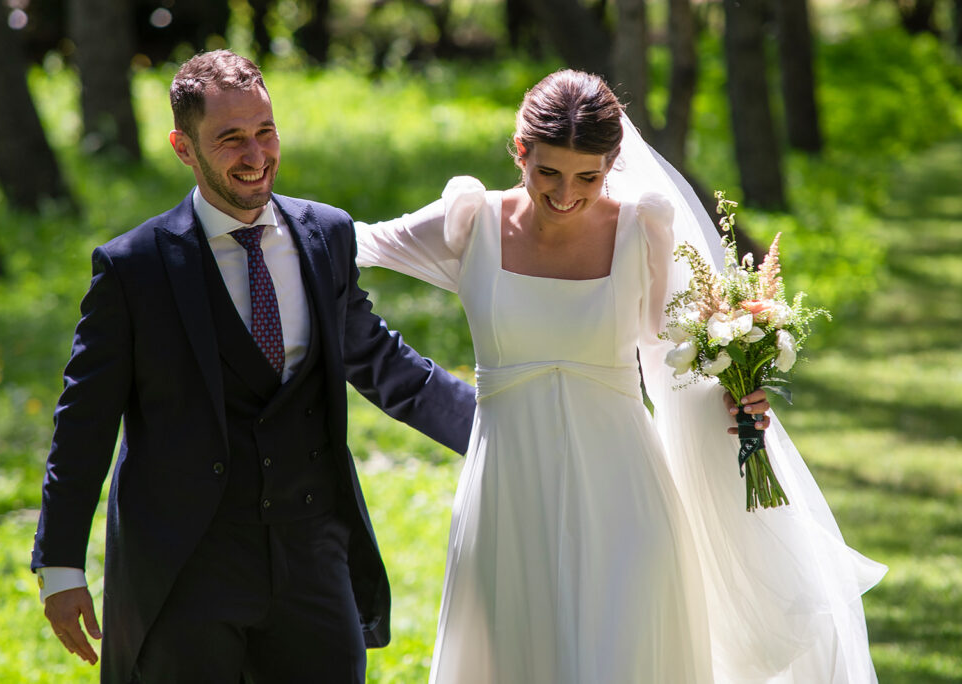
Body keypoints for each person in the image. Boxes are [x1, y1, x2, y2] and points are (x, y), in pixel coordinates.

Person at [354, 69, 886, 682]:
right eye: (547, 172)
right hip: (509, 491)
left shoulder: (641, 230)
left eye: (589, 176)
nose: (565, 195)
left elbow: (676, 358)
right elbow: (349, 242)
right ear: (519, 151)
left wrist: (734, 397)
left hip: (623, 493)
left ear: (612, 163)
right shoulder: (471, 220)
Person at [30, 49, 476, 683]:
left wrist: (494, 430)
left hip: (312, 554)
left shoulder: (326, 234)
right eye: (231, 139)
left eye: (265, 131)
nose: (256, 154)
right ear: (184, 148)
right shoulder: (134, 268)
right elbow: (85, 422)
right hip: (187, 562)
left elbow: (381, 362)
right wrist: (61, 563)